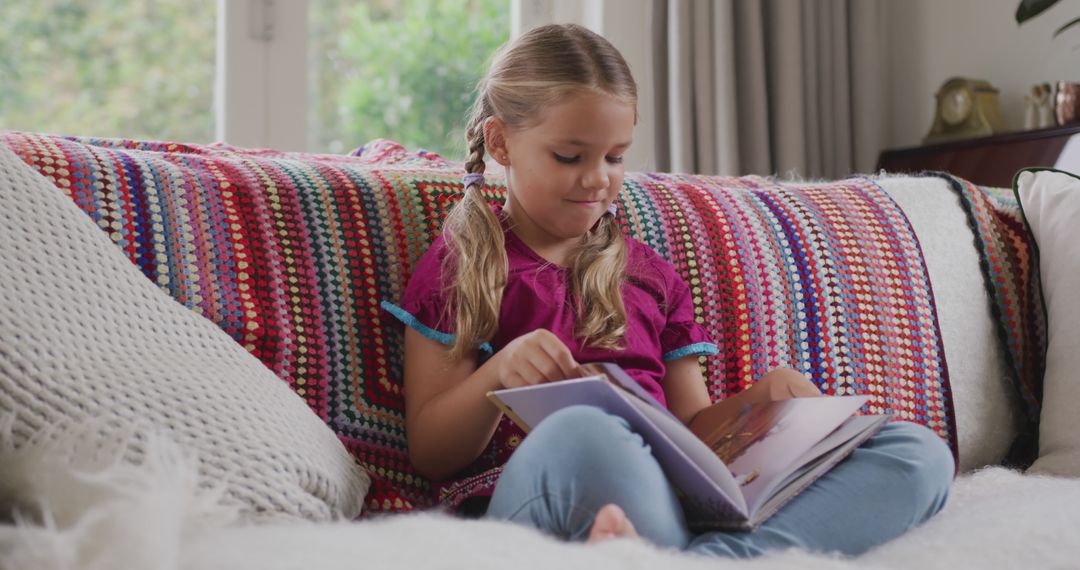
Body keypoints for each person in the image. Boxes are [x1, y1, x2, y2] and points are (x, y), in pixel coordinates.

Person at [382, 23, 954, 558]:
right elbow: (430, 451)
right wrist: (499, 372)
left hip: (668, 497)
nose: (597, 178)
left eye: (615, 157)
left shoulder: (647, 274)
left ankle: (700, 561)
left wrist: (759, 410)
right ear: (501, 144)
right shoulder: (466, 266)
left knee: (915, 452)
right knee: (586, 429)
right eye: (569, 156)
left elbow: (693, 431)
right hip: (540, 486)